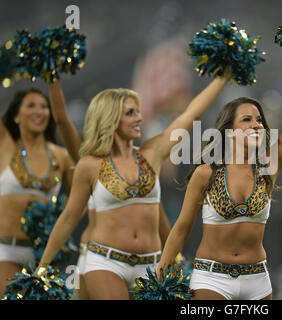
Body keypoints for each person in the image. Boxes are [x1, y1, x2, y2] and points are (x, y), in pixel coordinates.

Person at [35, 71, 232, 300]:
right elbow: (69, 217)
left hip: (151, 266)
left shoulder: (152, 153)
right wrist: (42, 267)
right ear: (111, 118)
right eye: (131, 113)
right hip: (105, 262)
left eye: (138, 112)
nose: (139, 118)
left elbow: (190, 114)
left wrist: (223, 77)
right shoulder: (89, 165)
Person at [157, 64, 282, 300]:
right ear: (230, 131)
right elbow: (182, 227)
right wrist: (162, 271)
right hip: (212, 278)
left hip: (258, 280)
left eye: (259, 121)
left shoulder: (268, 169)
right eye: (247, 119)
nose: (256, 124)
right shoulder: (206, 173)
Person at [48, 81, 172, 300]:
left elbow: (157, 213)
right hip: (94, 256)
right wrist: (53, 77)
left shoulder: (138, 166)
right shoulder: (86, 162)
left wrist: (174, 254)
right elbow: (61, 119)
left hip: (140, 259)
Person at [0, 88, 74, 295]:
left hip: (47, 255)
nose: (39, 111)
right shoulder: (5, 146)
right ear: (16, 115)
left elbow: (84, 198)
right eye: (31, 106)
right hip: (6, 250)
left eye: (44, 106)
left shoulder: (61, 156)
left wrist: (62, 219)